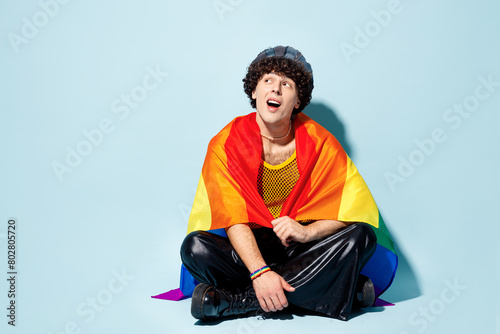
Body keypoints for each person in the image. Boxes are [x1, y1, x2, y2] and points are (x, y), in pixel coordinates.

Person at [178, 46, 398, 321]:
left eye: (287, 84)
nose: (276, 90)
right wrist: (259, 272)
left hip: (300, 248)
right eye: (268, 80)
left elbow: (351, 209)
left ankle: (236, 300)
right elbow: (233, 218)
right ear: (254, 92)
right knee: (194, 247)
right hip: (248, 250)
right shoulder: (226, 142)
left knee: (362, 236)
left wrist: (307, 234)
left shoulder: (321, 142)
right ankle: (337, 291)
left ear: (297, 101)